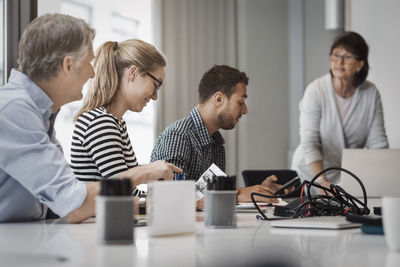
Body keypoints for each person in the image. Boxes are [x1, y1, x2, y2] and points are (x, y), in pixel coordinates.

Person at [0, 14, 180, 223]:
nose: (93, 73)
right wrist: (144, 173)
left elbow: (62, 197)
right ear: (68, 65)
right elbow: (73, 203)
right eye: (88, 63)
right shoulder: (15, 111)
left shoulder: (37, 112)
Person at [151, 65, 285, 206]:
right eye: (240, 102)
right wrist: (235, 194)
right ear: (219, 99)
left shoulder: (215, 143)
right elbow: (169, 199)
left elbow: (201, 192)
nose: (244, 110)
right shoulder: (178, 136)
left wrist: (260, 192)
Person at [70, 39, 170, 197]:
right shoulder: (101, 123)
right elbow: (122, 195)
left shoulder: (115, 122)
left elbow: (129, 193)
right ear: (133, 73)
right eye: (156, 84)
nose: (155, 96)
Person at [291, 31, 388, 189]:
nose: (339, 62)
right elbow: (310, 142)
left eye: (348, 57)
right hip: (310, 172)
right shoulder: (316, 90)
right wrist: (321, 181)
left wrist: (381, 180)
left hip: (344, 176)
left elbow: (378, 145)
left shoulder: (371, 93)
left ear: (360, 64)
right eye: (336, 55)